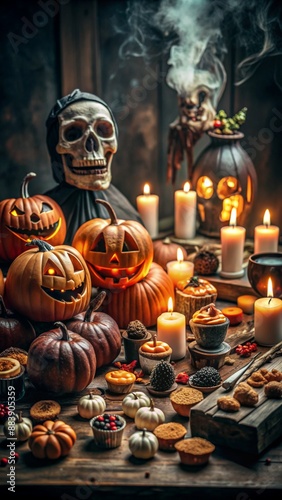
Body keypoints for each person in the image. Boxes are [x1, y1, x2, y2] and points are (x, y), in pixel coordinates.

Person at [45, 89, 142, 244]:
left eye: (102, 130)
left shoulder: (124, 213)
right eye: (72, 135)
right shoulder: (43, 218)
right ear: (56, 146)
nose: (91, 145)